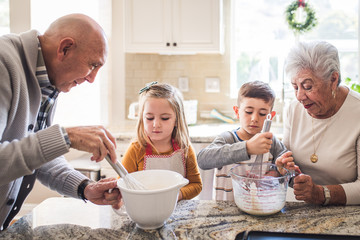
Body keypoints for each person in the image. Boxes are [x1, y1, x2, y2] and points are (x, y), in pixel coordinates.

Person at [0, 14, 121, 230]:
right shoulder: (3, 65)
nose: (92, 79)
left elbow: (36, 152)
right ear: (64, 48)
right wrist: (66, 137)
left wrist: (84, 187)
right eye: (93, 65)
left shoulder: (46, 80)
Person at [283, 41, 360, 206]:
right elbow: (285, 167)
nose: (299, 96)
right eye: (295, 87)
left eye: (308, 87)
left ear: (333, 79)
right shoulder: (293, 110)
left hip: (346, 216)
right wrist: (282, 169)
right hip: (297, 210)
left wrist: (320, 194)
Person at [197, 81, 298, 200]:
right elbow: (202, 160)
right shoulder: (227, 139)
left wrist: (283, 171)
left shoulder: (272, 143)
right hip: (226, 211)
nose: (254, 118)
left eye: (262, 113)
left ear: (271, 116)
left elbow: (293, 179)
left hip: (261, 210)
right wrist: (247, 148)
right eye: (249, 112)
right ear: (237, 112)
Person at [121, 82, 202, 200]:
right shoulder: (136, 149)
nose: (156, 124)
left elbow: (196, 185)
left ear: (176, 120)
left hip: (178, 213)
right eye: (149, 118)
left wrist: (177, 194)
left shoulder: (185, 149)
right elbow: (123, 184)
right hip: (144, 210)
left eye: (164, 118)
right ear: (142, 118)